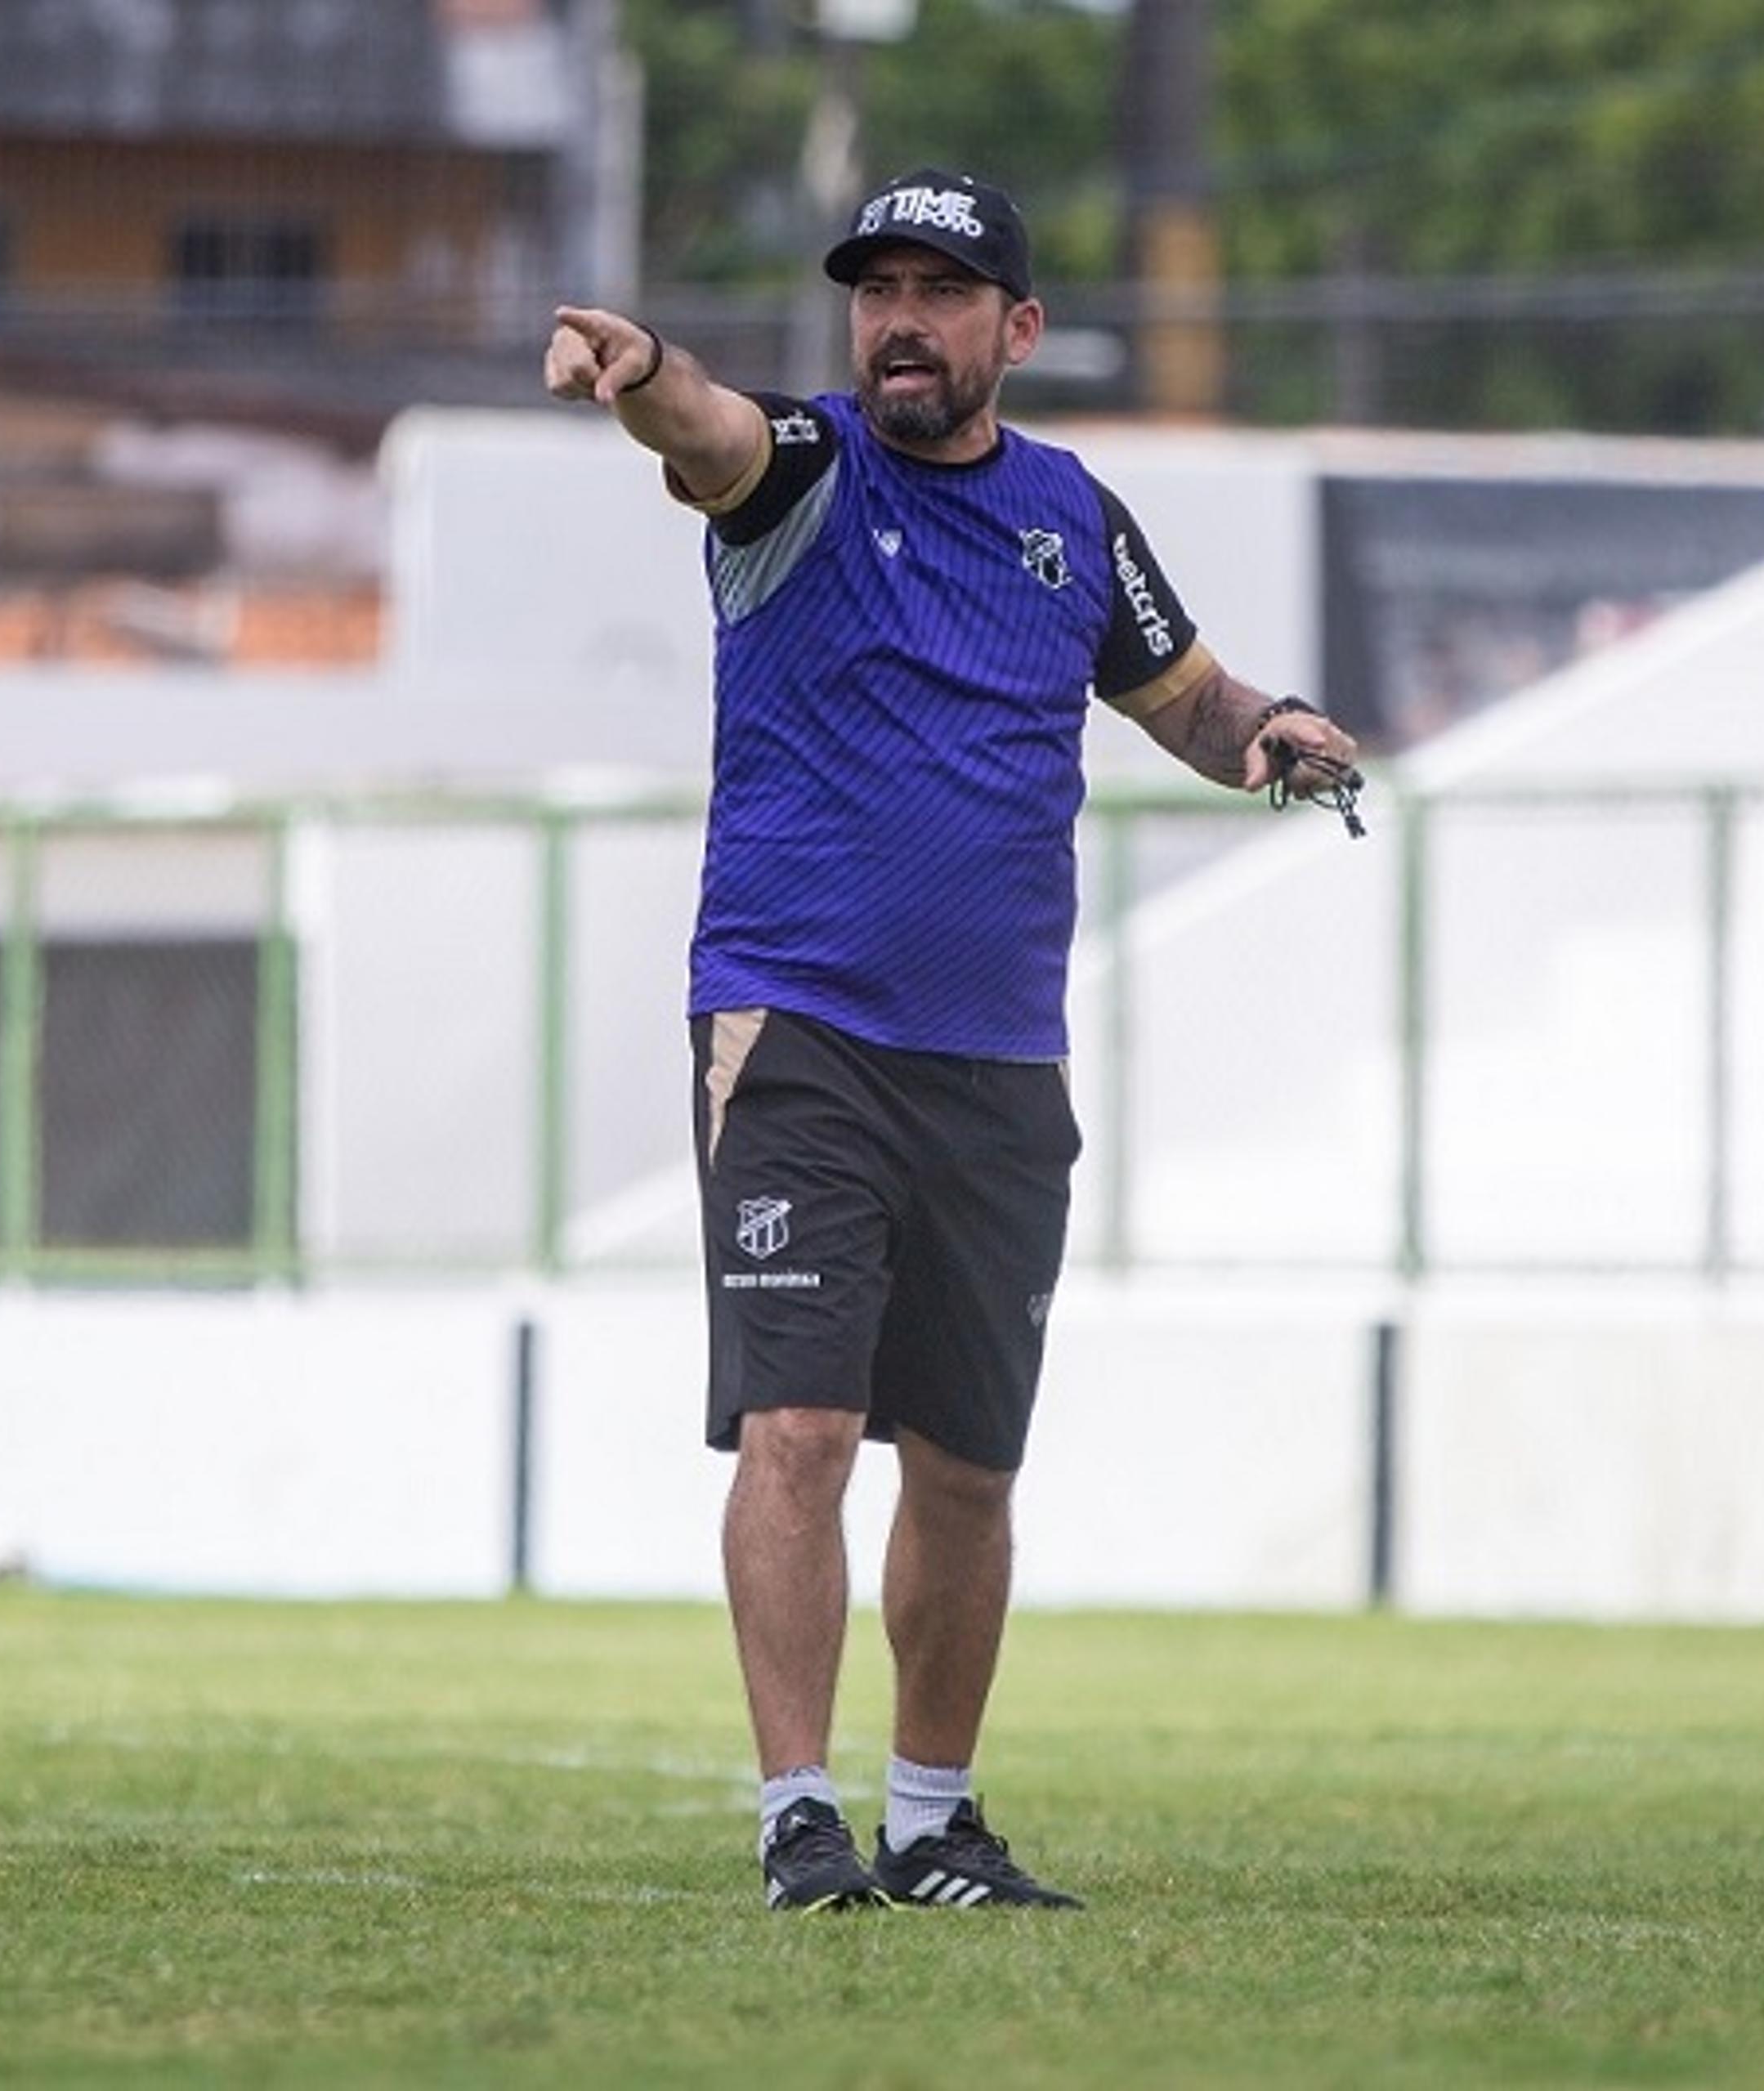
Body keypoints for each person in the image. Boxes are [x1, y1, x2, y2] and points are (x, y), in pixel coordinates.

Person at [544, 168, 1363, 1913]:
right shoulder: (810, 475)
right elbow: (712, 436)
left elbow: (1189, 699)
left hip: (997, 1061)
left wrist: (1274, 725)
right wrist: (643, 372)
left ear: (1018, 329)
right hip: (801, 1034)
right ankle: (797, 1814)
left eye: (940, 290)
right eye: (877, 289)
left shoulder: (1072, 512)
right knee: (804, 1431)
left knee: (973, 1466)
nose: (900, 320)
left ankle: (933, 1823)